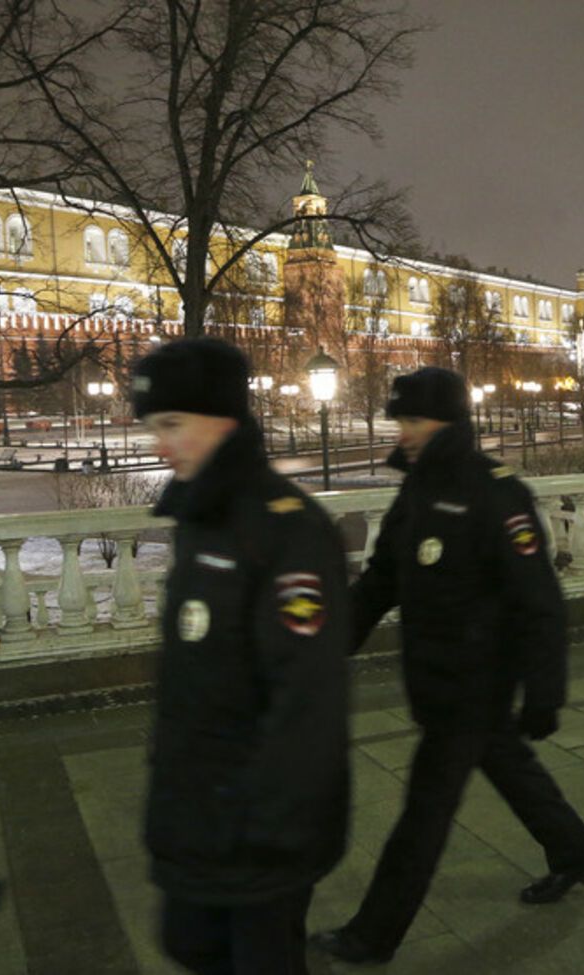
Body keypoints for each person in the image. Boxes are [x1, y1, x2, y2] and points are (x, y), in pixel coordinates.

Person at [311, 367, 584, 966]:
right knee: (511, 767)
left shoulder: (495, 492)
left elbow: (538, 598)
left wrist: (545, 690)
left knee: (424, 815)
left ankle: (372, 936)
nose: (404, 431)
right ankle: (576, 855)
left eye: (415, 420)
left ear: (448, 422)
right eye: (400, 419)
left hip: (474, 684)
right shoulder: (418, 489)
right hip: (436, 678)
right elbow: (382, 580)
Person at [131, 337, 351, 975]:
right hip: (199, 811)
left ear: (223, 418)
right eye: (154, 426)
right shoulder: (202, 515)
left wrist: (272, 827)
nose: (160, 446)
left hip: (258, 828)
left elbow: (307, 696)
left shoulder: (286, 529)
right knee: (191, 946)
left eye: (173, 424)